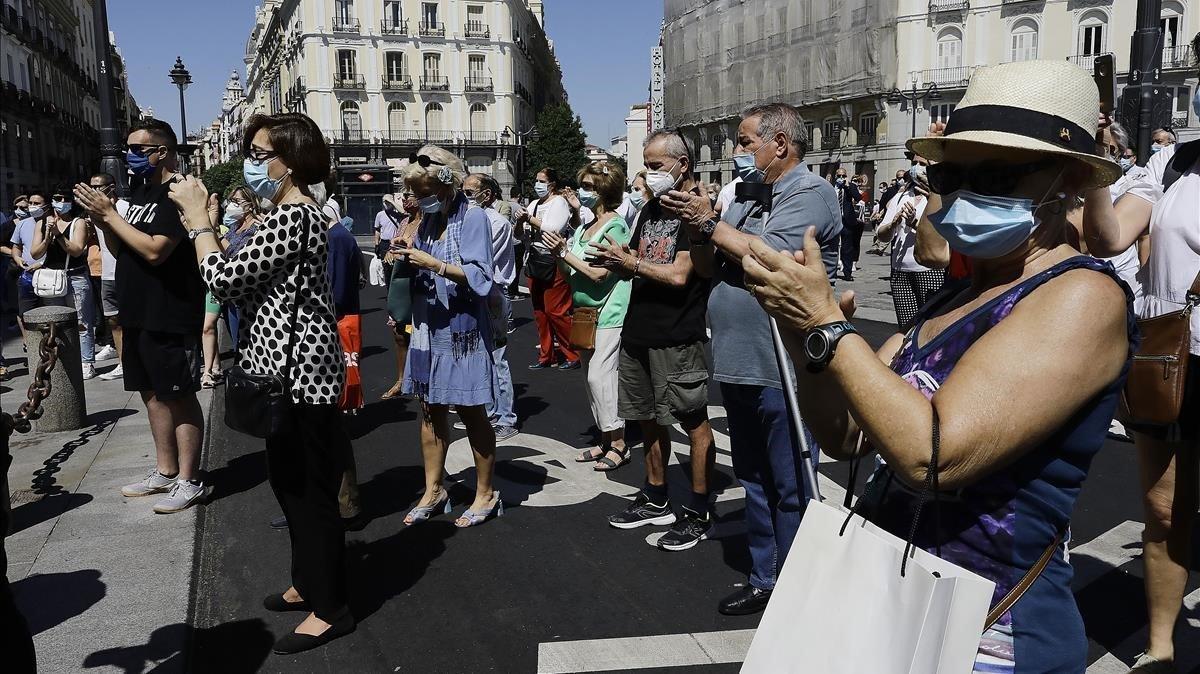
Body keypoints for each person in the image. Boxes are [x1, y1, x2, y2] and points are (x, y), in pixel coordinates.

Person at [743, 60, 1133, 671]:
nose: (968, 193)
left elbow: (933, 454)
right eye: (954, 173)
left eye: (1000, 175)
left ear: (1071, 179)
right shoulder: (957, 292)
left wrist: (828, 327)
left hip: (990, 639)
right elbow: (845, 436)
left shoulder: (1081, 296)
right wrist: (805, 336)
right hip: (894, 613)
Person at [169, 112, 354, 654]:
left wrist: (201, 221)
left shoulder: (294, 219)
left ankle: (332, 607)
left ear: (290, 162)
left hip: (301, 374)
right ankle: (308, 581)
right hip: (282, 368)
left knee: (311, 490)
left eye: (258, 153)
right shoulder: (281, 215)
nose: (251, 163)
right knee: (289, 482)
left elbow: (222, 279)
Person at [670, 103, 840, 614]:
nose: (737, 152)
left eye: (746, 142)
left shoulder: (811, 193)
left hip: (784, 367)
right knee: (754, 478)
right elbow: (708, 264)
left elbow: (766, 257)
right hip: (740, 360)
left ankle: (799, 585)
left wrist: (713, 225)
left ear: (779, 145)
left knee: (791, 481)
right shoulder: (745, 197)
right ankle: (766, 575)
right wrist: (699, 228)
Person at [1081, 54, 1200, 670]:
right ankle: (1160, 647)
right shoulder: (1172, 163)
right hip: (1168, 356)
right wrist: (1098, 167)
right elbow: (1105, 238)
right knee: (1160, 509)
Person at [72, 118, 207, 515]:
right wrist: (105, 219)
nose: (128, 155)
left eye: (137, 148)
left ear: (161, 151)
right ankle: (165, 471)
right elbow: (121, 249)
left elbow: (155, 250)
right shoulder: (141, 192)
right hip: (137, 311)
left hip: (170, 311)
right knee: (150, 395)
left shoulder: (180, 193)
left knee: (178, 396)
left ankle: (189, 478)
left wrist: (111, 217)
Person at [589, 130, 716, 551]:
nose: (649, 173)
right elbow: (639, 262)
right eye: (646, 164)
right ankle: (656, 494)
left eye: (656, 165)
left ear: (682, 164)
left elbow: (682, 274)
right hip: (639, 329)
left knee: (692, 420)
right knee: (647, 417)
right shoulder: (650, 207)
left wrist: (632, 262)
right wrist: (618, 261)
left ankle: (698, 511)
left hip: (677, 335)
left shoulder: (696, 211)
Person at [397, 145, 501, 528]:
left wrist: (434, 263)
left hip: (463, 332)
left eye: (423, 192)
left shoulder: (472, 218)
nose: (417, 199)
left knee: (471, 412)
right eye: (415, 193)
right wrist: (409, 252)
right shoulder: (428, 220)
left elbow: (481, 277)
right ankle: (434, 489)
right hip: (429, 329)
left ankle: (486, 493)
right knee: (429, 411)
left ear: (445, 185)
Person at [543, 160, 633, 470]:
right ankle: (606, 439)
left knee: (602, 377)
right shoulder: (584, 227)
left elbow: (598, 275)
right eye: (584, 186)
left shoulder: (616, 226)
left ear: (605, 191)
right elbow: (571, 276)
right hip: (585, 313)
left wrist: (566, 253)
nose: (583, 192)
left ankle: (620, 443)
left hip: (610, 311)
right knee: (589, 379)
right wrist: (558, 255)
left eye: (590, 187)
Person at [461, 173, 519, 440]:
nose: (466, 196)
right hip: (477, 293)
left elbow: (476, 260)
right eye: (464, 191)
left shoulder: (496, 222)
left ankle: (506, 418)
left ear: (488, 194)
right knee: (481, 356)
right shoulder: (471, 219)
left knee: (497, 358)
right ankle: (488, 412)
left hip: (493, 293)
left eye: (471, 192)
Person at [31, 188, 98, 378]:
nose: (60, 202)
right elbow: (36, 253)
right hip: (52, 280)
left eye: (64, 199)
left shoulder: (78, 223)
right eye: (56, 198)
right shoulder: (42, 223)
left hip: (74, 277)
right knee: (56, 322)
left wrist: (59, 235)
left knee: (81, 322)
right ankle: (64, 360)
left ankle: (86, 362)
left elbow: (76, 250)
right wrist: (47, 237)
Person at [875, 155, 947, 328]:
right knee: (906, 327)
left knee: (930, 325)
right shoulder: (901, 196)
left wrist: (915, 223)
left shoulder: (940, 196)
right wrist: (893, 224)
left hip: (928, 270)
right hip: (900, 269)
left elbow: (943, 234)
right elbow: (882, 234)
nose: (916, 167)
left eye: (922, 164)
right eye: (914, 163)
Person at [520, 167, 581, 370]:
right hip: (535, 261)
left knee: (557, 311)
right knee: (540, 312)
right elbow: (519, 233)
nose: (537, 184)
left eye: (541, 181)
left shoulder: (559, 203)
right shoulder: (535, 204)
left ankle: (573, 353)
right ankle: (546, 356)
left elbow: (552, 229)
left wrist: (529, 219)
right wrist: (521, 221)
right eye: (536, 180)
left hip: (554, 262)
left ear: (552, 184)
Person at [88, 173, 130, 381]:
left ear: (111, 187)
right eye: (91, 186)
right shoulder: (92, 212)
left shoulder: (124, 208)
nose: (94, 190)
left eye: (98, 186)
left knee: (130, 320)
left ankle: (134, 361)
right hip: (106, 274)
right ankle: (122, 362)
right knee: (113, 321)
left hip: (125, 273)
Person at [381, 193, 422, 400]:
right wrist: (391, 251)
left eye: (409, 196)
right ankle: (401, 380)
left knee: (419, 334)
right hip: (400, 284)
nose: (405, 199)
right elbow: (394, 246)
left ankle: (421, 379)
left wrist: (406, 250)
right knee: (399, 333)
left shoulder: (426, 223)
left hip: (419, 284)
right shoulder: (405, 221)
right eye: (403, 196)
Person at [219, 185, 263, 352]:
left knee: (245, 345)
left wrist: (217, 233)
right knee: (236, 342)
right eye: (231, 201)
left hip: (246, 297)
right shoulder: (233, 228)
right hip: (231, 296)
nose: (232, 205)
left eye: (236, 201)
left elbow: (238, 255)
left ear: (250, 204)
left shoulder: (256, 228)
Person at [10, 193, 50, 343]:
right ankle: (32, 345)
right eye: (31, 203)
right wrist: (17, 258)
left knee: (49, 315)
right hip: (26, 277)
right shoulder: (23, 223)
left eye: (37, 203)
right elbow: (16, 246)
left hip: (47, 276)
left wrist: (41, 264)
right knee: (26, 315)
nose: (33, 206)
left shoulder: (52, 222)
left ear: (46, 205)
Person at [832, 166, 863, 281]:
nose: (841, 178)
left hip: (847, 221)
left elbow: (858, 197)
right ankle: (830, 270)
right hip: (834, 220)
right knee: (832, 246)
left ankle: (847, 272)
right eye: (839, 176)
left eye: (843, 176)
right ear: (835, 176)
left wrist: (848, 186)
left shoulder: (851, 186)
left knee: (847, 247)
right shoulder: (831, 187)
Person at [373, 193, 404, 260]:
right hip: (384, 243)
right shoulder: (380, 215)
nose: (386, 203)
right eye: (384, 201)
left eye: (388, 201)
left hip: (395, 243)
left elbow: (403, 212)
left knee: (395, 262)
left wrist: (391, 201)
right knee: (385, 263)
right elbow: (377, 230)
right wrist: (376, 244)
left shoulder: (397, 214)